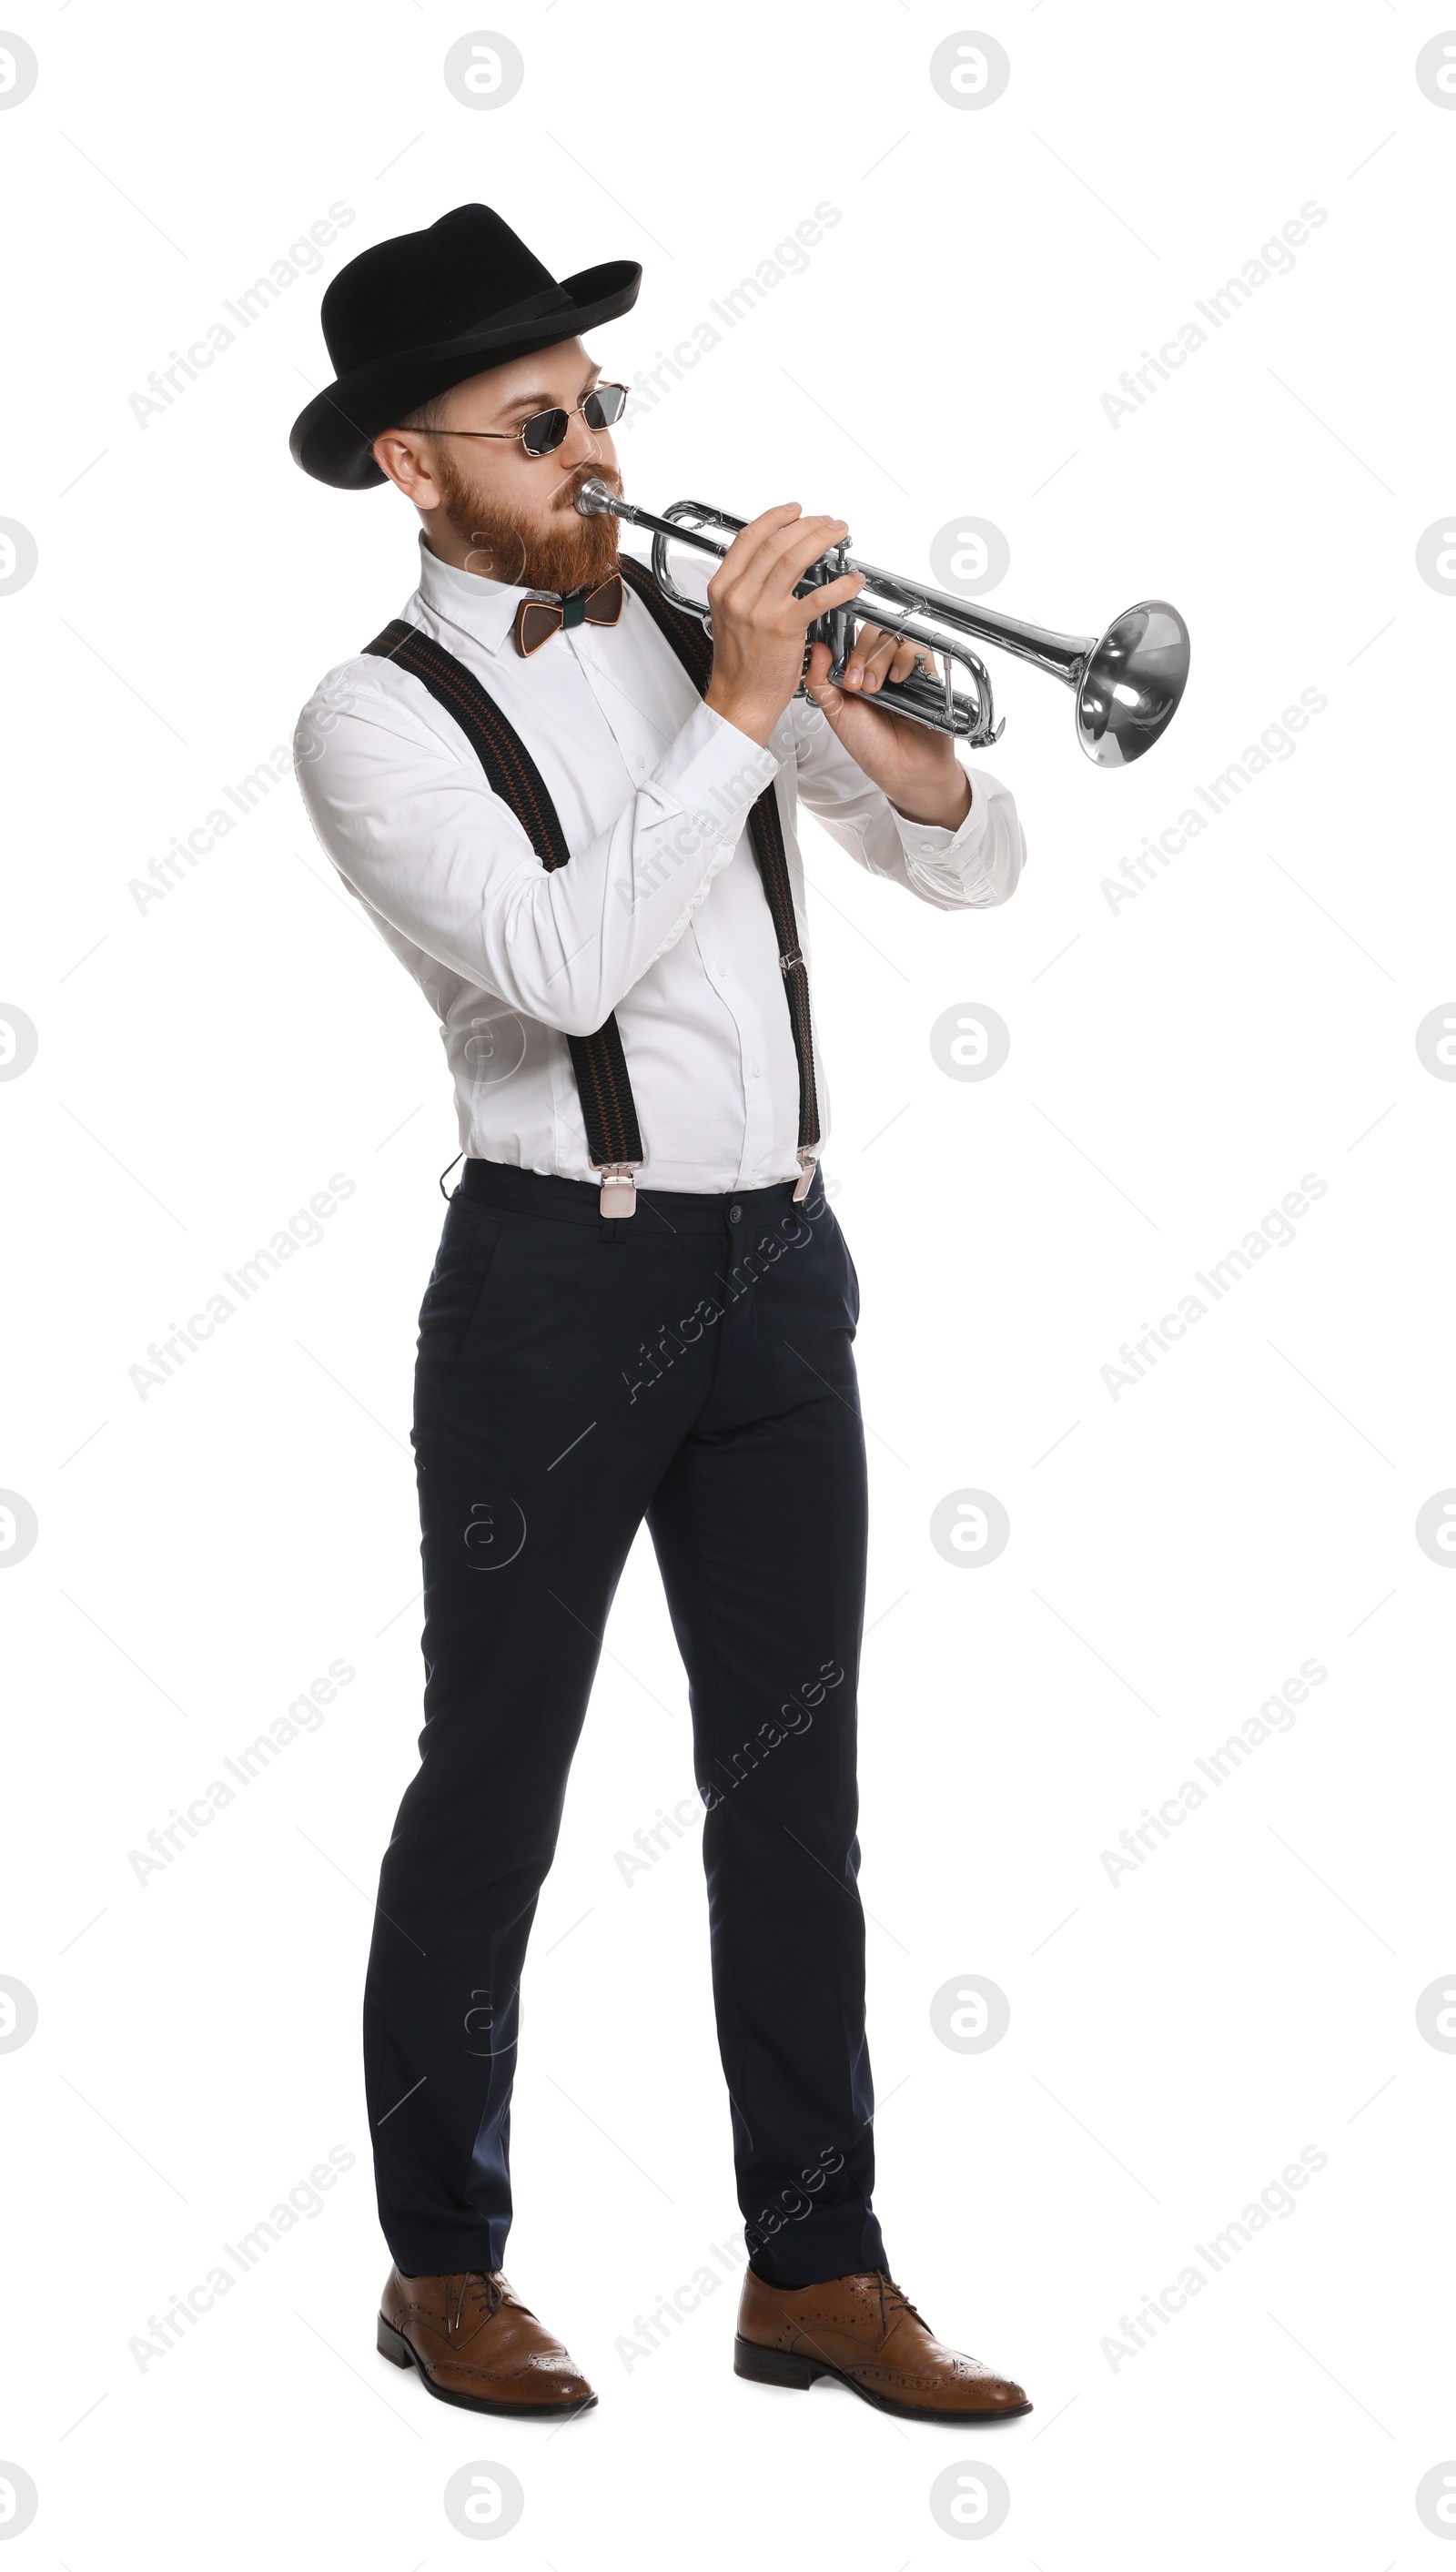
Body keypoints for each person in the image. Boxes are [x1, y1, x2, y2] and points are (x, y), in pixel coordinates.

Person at [291, 202, 1031, 2425]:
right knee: (491, 1793)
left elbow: (962, 868)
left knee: (793, 1801)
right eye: (537, 425)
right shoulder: (368, 722)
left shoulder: (673, 629)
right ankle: (443, 2268)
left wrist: (887, 736)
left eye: (599, 402)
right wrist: (733, 705)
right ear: (416, 469)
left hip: (777, 1273)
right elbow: (553, 967)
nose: (592, 450)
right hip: (549, 1280)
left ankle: (814, 2268)